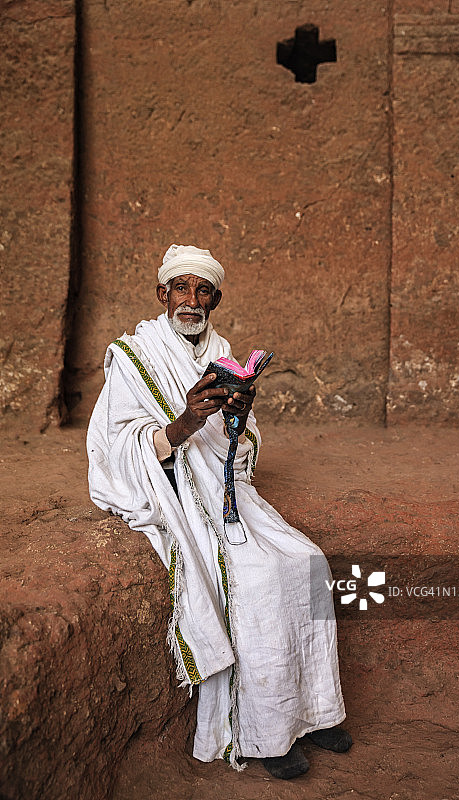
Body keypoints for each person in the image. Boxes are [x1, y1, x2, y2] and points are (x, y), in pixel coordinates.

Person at [87, 244, 351, 779]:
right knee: (257, 579)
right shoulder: (133, 355)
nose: (192, 299)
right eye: (181, 288)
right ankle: (266, 735)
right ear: (162, 294)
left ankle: (316, 711)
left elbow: (244, 449)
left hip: (228, 491)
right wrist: (185, 421)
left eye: (202, 290)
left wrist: (237, 418)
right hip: (178, 494)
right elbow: (112, 450)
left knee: (310, 562)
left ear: (216, 298)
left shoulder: (222, 354)